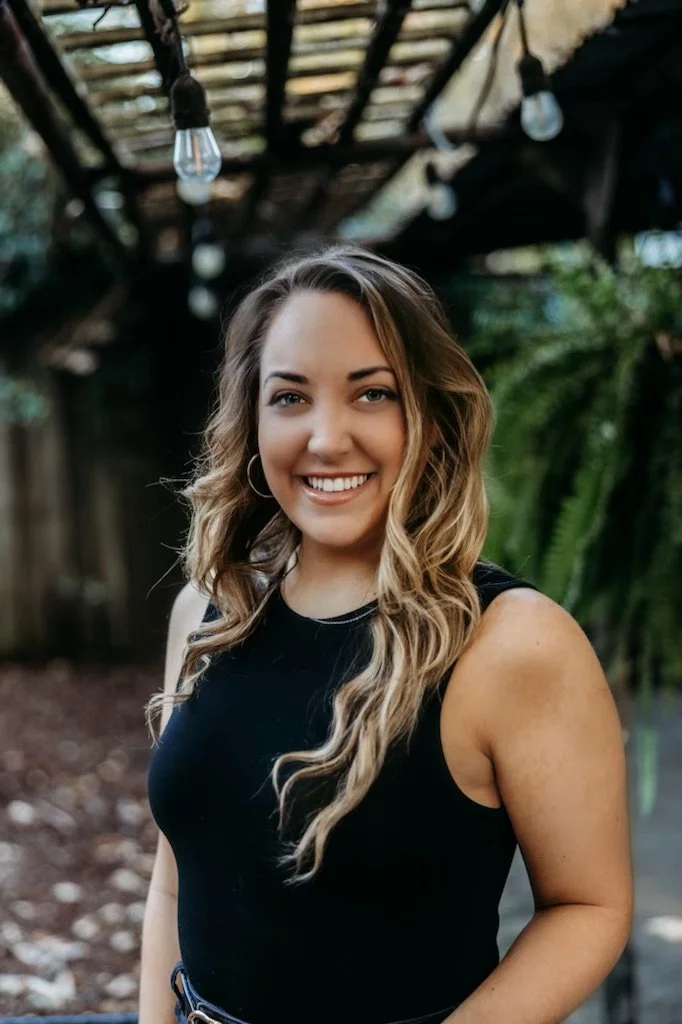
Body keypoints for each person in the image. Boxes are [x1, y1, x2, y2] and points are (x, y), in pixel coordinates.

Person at [138, 245, 633, 1024]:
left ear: (431, 418)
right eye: (290, 397)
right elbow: (175, 879)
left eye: (372, 393)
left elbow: (588, 906)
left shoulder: (513, 644)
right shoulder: (211, 608)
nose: (326, 438)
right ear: (252, 419)